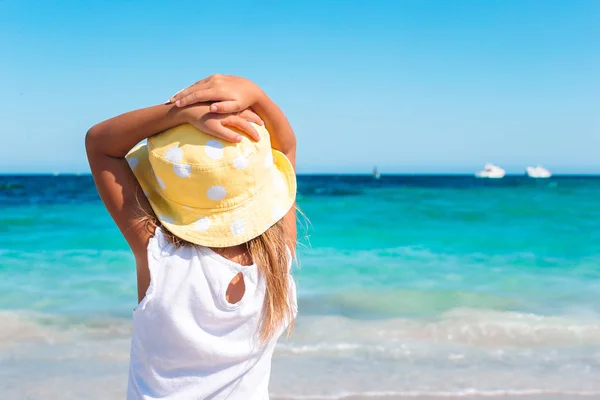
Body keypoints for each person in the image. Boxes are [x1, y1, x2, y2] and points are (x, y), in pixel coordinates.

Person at [85, 74, 298, 399]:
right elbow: (287, 147)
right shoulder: (278, 257)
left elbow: (100, 144)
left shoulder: (160, 256)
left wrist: (178, 113)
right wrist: (255, 95)